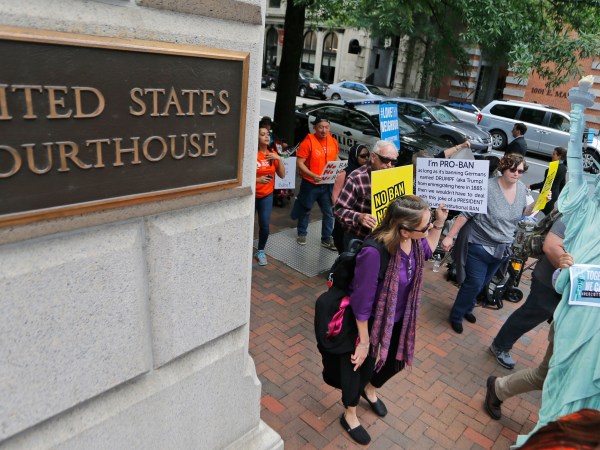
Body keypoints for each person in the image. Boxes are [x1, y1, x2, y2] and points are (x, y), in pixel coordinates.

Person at [336, 196, 448, 445]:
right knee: (359, 368)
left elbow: (428, 250)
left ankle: (370, 388)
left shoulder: (414, 243)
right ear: (404, 230)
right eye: (425, 226)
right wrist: (363, 342)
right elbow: (361, 301)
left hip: (399, 317)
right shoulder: (374, 252)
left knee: (395, 362)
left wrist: (439, 223)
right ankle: (350, 414)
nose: (428, 229)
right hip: (370, 322)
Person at [441, 154, 535, 333]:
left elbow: (524, 213)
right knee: (474, 283)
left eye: (521, 171)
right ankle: (456, 314)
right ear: (503, 168)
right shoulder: (487, 187)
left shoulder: (522, 189)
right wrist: (449, 236)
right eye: (513, 169)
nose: (517, 174)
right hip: (479, 243)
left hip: (503, 246)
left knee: (483, 282)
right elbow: (465, 214)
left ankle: (467, 308)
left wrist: (541, 203)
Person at [489, 216, 565, 369]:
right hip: (550, 280)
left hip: (576, 285)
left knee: (563, 324)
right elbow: (551, 246)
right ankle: (500, 345)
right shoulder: (578, 211)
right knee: (531, 314)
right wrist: (576, 273)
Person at [334, 140, 399, 250]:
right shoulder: (356, 178)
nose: (389, 165)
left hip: (383, 238)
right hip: (358, 238)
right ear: (373, 157)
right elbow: (338, 210)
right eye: (385, 160)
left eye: (393, 162)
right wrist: (359, 217)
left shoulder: (395, 176)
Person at [292, 117, 339, 249]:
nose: (324, 130)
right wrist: (312, 175)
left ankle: (326, 238)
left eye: (326, 127)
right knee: (306, 209)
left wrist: (340, 166)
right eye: (320, 127)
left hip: (327, 183)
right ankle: (301, 233)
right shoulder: (308, 142)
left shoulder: (333, 141)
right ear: (315, 127)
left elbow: (335, 157)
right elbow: (300, 162)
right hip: (310, 184)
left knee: (329, 212)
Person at [254, 125, 285, 266]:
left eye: (268, 134)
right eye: (262, 134)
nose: (266, 136)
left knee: (265, 225)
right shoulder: (252, 154)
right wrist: (257, 180)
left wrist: (279, 158)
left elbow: (282, 175)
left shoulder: (272, 154)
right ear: (257, 137)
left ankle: (260, 250)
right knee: (247, 225)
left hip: (266, 195)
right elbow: (243, 176)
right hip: (252, 194)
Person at [331, 144, 370, 253]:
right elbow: (335, 197)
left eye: (368, 155)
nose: (366, 159)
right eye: (363, 156)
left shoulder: (368, 173)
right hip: (345, 220)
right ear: (354, 156)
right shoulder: (345, 173)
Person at [528, 146, 567, 216]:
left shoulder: (554, 168)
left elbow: (545, 183)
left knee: (532, 212)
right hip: (554, 194)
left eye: (554, 154)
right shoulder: (563, 168)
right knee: (544, 213)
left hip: (547, 195)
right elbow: (563, 183)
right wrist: (558, 194)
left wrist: (531, 186)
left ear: (559, 157)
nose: (552, 155)